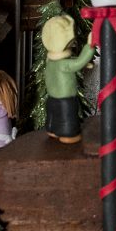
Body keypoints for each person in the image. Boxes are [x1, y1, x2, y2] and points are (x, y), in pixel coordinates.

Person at [41, 13, 95, 144]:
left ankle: (52, 129)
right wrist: (90, 46)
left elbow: (70, 64)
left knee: (53, 115)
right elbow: (79, 62)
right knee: (67, 117)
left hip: (52, 98)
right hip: (65, 99)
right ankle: (68, 133)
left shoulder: (51, 61)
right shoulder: (64, 64)